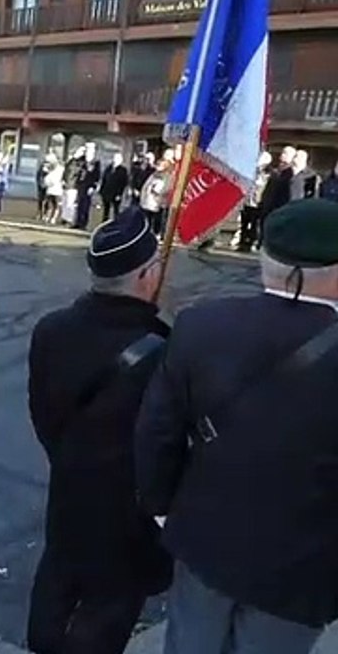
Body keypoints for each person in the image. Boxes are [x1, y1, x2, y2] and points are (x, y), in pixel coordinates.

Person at [136, 198, 338, 654]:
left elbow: (156, 433)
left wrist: (165, 509)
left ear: (265, 260)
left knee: (190, 643)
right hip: (301, 563)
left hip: (205, 537)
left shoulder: (200, 325)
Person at [27, 207, 172, 654]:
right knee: (106, 616)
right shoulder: (165, 351)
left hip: (68, 493)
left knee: (55, 592)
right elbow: (165, 446)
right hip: (128, 517)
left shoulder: (51, 330)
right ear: (148, 274)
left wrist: (72, 460)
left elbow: (44, 418)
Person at [100, 153, 129, 222]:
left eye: (118, 158)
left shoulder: (123, 170)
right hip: (107, 191)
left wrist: (119, 194)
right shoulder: (109, 168)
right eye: (115, 158)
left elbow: (123, 183)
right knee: (106, 209)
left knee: (116, 210)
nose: (115, 160)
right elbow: (104, 179)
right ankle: (104, 222)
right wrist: (101, 190)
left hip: (116, 193)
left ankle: (116, 223)